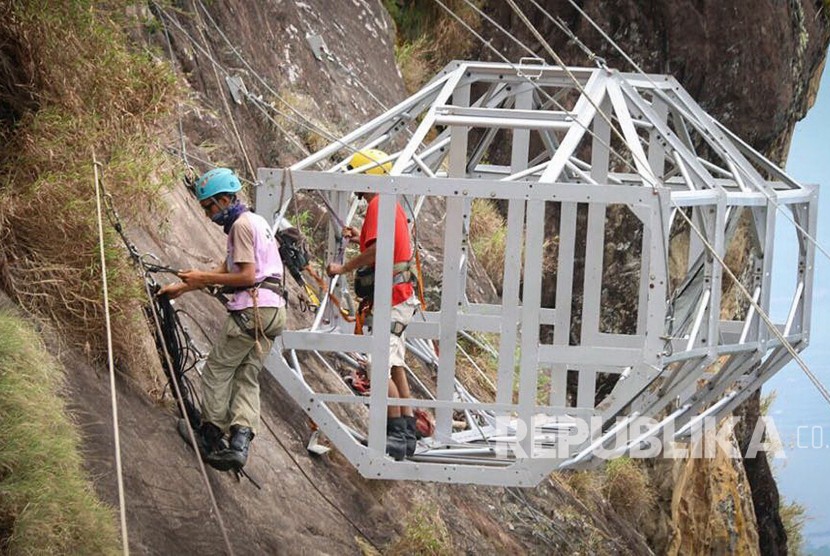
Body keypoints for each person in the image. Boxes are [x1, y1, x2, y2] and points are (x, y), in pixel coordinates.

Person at [159, 167, 286, 471]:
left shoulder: (240, 226)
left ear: (223, 199)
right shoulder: (256, 222)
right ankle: (240, 444)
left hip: (252, 310)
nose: (207, 215)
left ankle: (210, 434)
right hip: (275, 312)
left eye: (208, 207)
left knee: (217, 370)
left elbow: (243, 275)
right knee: (246, 375)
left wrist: (200, 276)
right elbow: (224, 272)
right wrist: (182, 287)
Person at [326, 149, 421, 461]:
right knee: (394, 366)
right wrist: (359, 239)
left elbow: (378, 251)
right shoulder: (388, 202)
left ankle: (394, 431)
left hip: (392, 300)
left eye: (357, 176)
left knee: (378, 366)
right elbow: (383, 245)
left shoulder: (379, 203)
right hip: (401, 297)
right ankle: (406, 432)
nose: (354, 184)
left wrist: (343, 268)